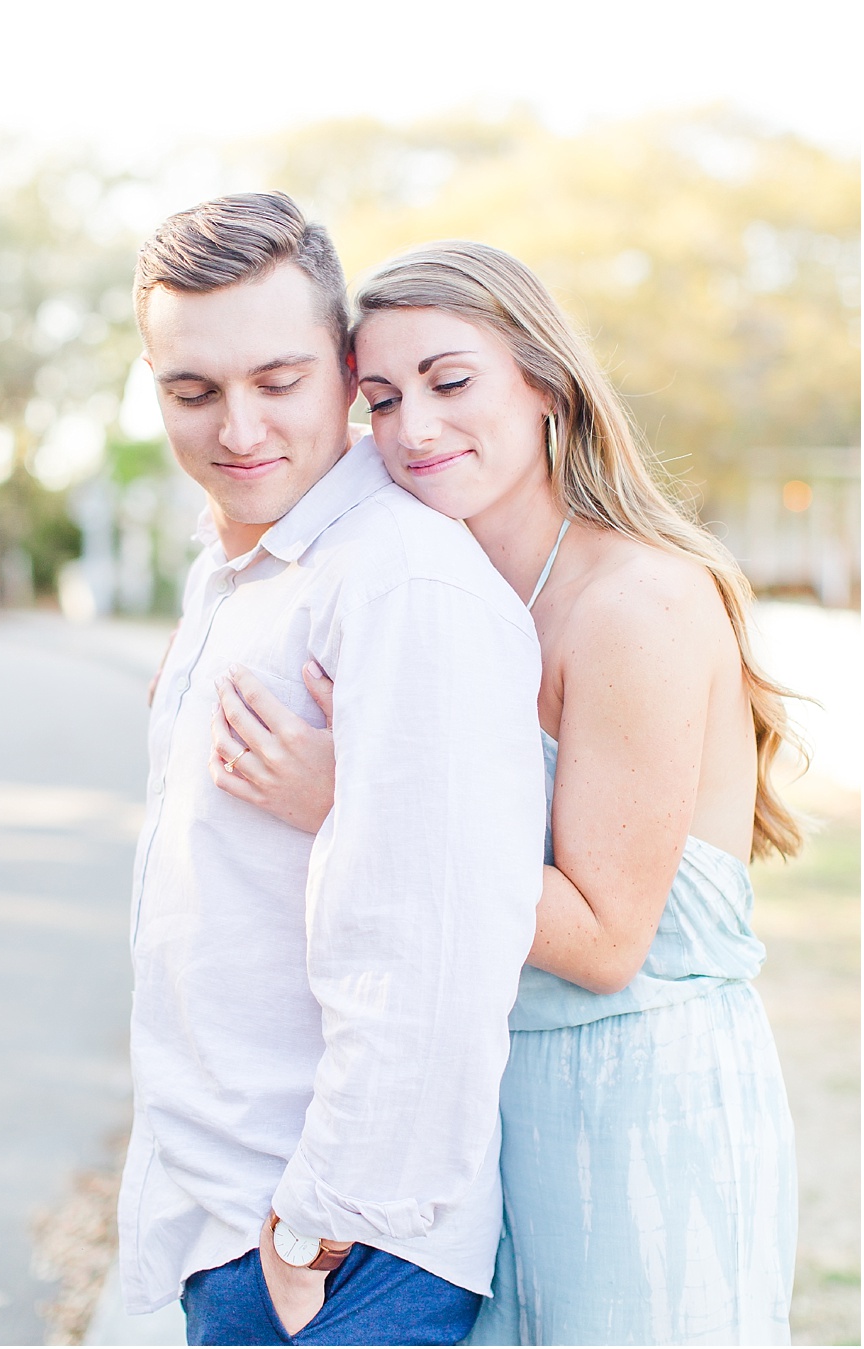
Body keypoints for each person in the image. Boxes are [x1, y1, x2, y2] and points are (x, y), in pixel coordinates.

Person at [213, 241, 799, 1343]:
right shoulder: (452, 601)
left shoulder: (637, 601)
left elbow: (605, 936)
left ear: (543, 382)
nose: (415, 428)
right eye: (381, 400)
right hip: (484, 1108)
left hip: (638, 1099)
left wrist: (361, 804)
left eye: (450, 380)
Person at [118, 192, 546, 1347]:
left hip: (342, 1251)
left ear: (346, 368)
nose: (240, 428)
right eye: (194, 391)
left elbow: (435, 934)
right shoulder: (238, 569)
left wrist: (316, 1223)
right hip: (237, 1225)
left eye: (280, 380)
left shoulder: (401, 578)